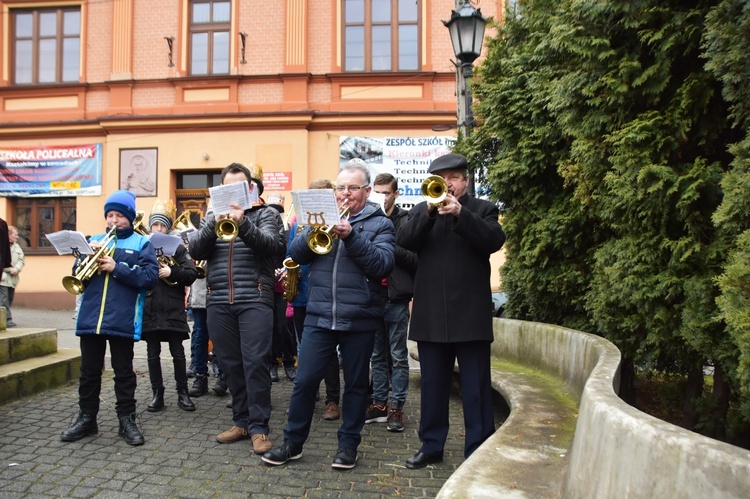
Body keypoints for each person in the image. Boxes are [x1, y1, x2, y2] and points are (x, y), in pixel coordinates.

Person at [262, 159, 395, 470]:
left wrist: (350, 236)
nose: (344, 194)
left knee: (356, 386)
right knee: (305, 381)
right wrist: (314, 231)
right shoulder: (318, 218)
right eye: (340, 188)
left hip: (359, 316)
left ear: (365, 191)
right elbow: (293, 253)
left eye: (352, 188)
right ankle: (292, 443)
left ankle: (348, 445)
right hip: (320, 315)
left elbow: (381, 265)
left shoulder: (380, 223)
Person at [397, 153, 506, 469]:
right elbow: (403, 240)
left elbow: (493, 240)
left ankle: (479, 450)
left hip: (470, 316)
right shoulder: (421, 210)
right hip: (431, 316)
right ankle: (431, 446)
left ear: (465, 181)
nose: (447, 184)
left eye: (454, 178)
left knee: (475, 390)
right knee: (432, 389)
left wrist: (461, 215)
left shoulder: (482, 209)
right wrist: (429, 214)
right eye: (441, 178)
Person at [189, 162, 285, 455]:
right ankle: (241, 422)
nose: (232, 192)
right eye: (226, 188)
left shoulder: (267, 213)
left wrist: (242, 222)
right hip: (218, 300)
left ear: (249, 188)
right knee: (230, 364)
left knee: (255, 363)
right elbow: (194, 250)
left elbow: (275, 247)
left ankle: (259, 428)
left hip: (255, 298)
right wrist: (212, 222)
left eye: (238, 187)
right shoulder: (211, 217)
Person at [61, 190, 159, 446]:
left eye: (119, 216)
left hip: (122, 318)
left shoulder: (141, 243)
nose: (114, 220)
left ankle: (127, 419)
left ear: (129, 217)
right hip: (91, 318)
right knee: (89, 372)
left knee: (124, 372)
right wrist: (84, 257)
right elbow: (78, 276)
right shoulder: (94, 239)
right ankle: (86, 418)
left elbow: (150, 278)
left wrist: (117, 268)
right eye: (110, 215)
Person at [365, 174, 417, 432]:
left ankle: (396, 407)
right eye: (377, 193)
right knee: (376, 356)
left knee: (398, 356)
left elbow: (414, 259)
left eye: (386, 193)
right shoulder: (367, 218)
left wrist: (387, 236)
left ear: (396, 194)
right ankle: (379, 405)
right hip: (372, 296)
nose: (381, 198)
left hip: (395, 297)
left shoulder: (405, 221)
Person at [287, 178, 342, 420]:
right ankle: (308, 396)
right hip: (301, 293)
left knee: (329, 351)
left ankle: (333, 400)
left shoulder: (339, 223)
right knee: (304, 348)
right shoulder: (298, 225)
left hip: (325, 294)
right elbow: (292, 254)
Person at [142, 200, 199, 412]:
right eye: (155, 225)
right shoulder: (144, 246)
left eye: (162, 226)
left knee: (178, 353)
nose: (158, 229)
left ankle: (182, 394)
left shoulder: (176, 247)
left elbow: (192, 274)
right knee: (152, 353)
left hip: (173, 307)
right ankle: (158, 394)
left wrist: (171, 272)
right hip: (151, 306)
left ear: (168, 227)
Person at [1, 226, 25, 328]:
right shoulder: (3, 246)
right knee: (3, 299)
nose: (17, 237)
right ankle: (7, 319)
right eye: (15, 234)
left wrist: (16, 269)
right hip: (3, 278)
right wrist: (9, 269)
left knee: (9, 298)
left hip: (13, 278)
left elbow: (21, 259)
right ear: (9, 235)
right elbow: (2, 261)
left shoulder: (16, 246)